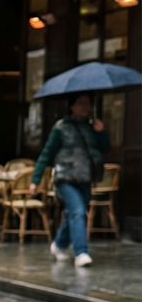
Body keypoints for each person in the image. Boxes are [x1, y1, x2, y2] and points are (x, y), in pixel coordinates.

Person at [33, 93, 109, 269]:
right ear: (72, 106)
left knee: (72, 214)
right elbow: (47, 153)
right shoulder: (61, 127)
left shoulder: (91, 128)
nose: (85, 107)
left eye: (88, 104)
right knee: (78, 211)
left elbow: (105, 148)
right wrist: (35, 179)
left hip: (85, 177)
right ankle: (81, 252)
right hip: (65, 178)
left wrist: (101, 132)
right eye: (81, 103)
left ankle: (59, 244)